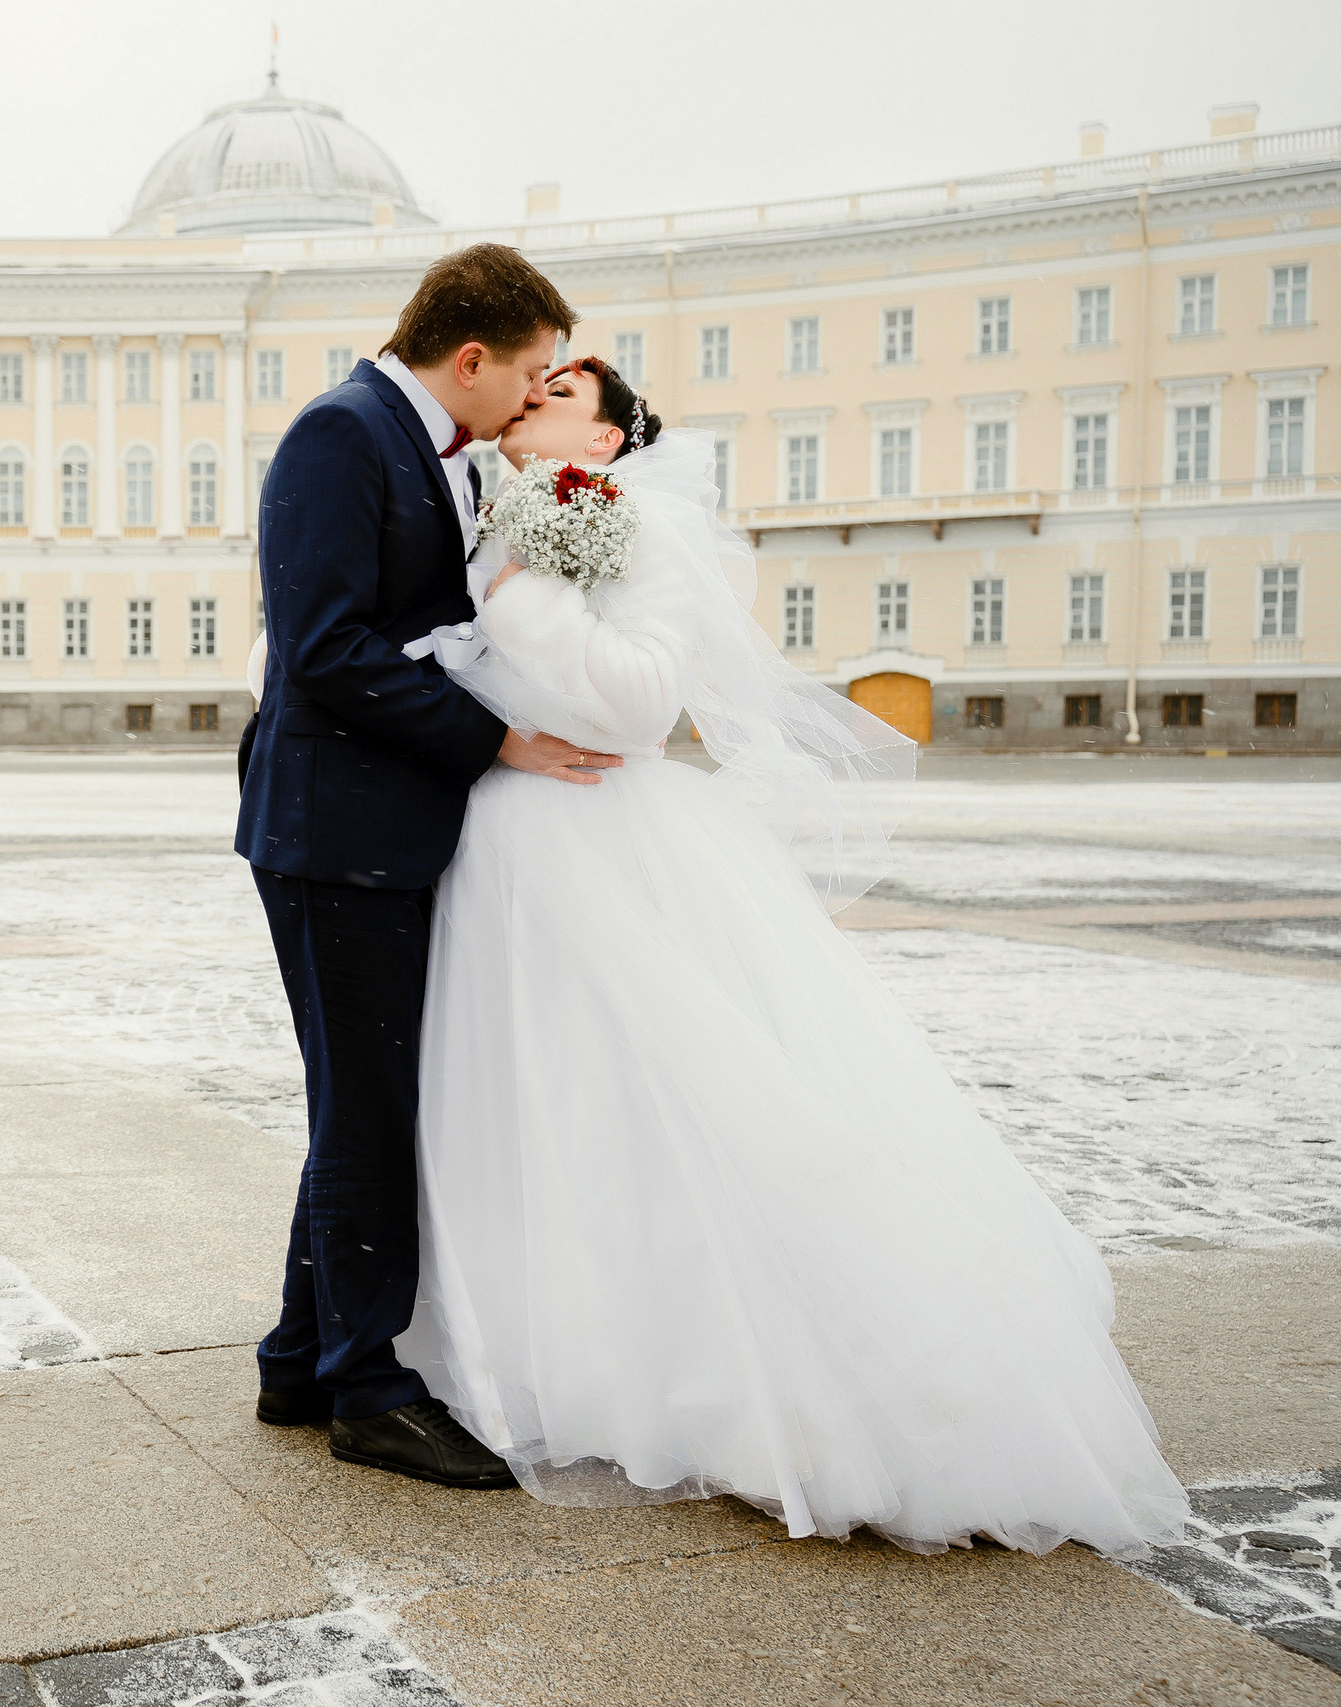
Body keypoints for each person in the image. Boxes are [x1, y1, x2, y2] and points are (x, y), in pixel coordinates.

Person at [395, 358, 1190, 1556]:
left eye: (561, 392)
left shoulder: (627, 520)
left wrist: (514, 597)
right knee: (532, 1107)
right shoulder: (489, 504)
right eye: (533, 379)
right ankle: (542, 1343)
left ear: (606, 440)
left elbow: (640, 705)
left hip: (601, 847)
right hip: (499, 850)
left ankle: (709, 1370)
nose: (532, 396)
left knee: (658, 1108)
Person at [236, 244, 618, 1489]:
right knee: (371, 1105)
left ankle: (301, 1358)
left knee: (363, 1091)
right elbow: (325, 648)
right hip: (331, 831)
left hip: (372, 826)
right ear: (469, 359)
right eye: (525, 372)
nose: (530, 396)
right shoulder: (340, 436)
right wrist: (497, 737)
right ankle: (368, 1386)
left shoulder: (427, 450)